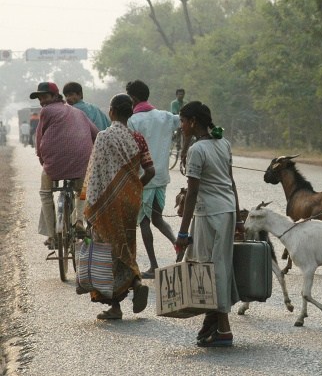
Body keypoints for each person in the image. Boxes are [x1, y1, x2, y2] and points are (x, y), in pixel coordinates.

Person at [175, 101, 243, 347]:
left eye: (182, 121)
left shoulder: (197, 150)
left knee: (211, 270)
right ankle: (213, 321)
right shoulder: (223, 143)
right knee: (220, 266)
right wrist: (238, 217)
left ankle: (224, 329)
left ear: (193, 121)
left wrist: (183, 232)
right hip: (226, 211)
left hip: (210, 215)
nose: (180, 126)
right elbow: (231, 182)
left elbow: (192, 193)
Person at [81, 94, 155, 320]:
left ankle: (115, 306)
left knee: (109, 252)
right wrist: (133, 190)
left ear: (111, 112)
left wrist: (89, 208)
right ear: (130, 113)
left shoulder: (104, 137)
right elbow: (150, 171)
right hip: (129, 202)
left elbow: (95, 176)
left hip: (106, 203)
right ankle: (135, 280)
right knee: (126, 245)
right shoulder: (138, 138)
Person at [30, 82, 99, 247]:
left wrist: (42, 160)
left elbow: (39, 139)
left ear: (55, 96)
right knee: (82, 191)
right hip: (82, 162)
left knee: (46, 194)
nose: (41, 101)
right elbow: (96, 133)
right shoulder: (78, 112)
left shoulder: (46, 111)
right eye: (39, 98)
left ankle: (53, 235)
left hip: (54, 164)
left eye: (45, 97)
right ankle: (79, 220)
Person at [126, 80, 180, 278]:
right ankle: (178, 244)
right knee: (157, 218)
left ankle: (154, 265)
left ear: (133, 98)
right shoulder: (166, 116)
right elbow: (182, 121)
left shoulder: (134, 120)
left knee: (145, 222)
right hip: (162, 177)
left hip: (144, 178)